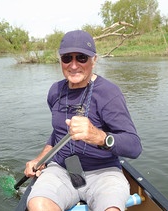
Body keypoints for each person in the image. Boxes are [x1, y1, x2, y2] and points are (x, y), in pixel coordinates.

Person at [24, 30, 142, 211]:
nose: (73, 65)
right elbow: (58, 134)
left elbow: (134, 147)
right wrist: (39, 160)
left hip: (104, 173)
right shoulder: (55, 91)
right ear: (60, 60)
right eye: (66, 58)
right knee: (37, 204)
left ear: (94, 60)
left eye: (81, 58)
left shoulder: (109, 94)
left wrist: (100, 137)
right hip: (62, 169)